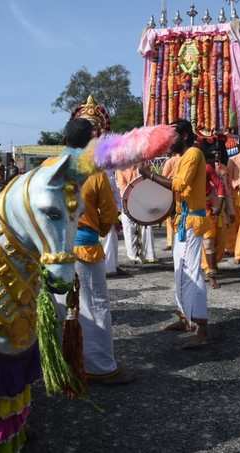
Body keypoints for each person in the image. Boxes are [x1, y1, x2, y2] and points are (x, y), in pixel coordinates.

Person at [61, 117, 135, 385]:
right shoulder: (94, 171)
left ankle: (63, 364)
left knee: (61, 308)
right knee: (95, 307)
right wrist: (99, 231)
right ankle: (101, 367)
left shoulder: (48, 168)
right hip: (85, 249)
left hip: (54, 252)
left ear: (64, 139)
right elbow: (109, 212)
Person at [139, 120, 210, 349]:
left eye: (172, 137)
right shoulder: (181, 158)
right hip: (182, 221)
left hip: (191, 222)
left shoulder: (193, 154)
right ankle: (185, 318)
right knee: (181, 272)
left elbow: (179, 185)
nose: (168, 143)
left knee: (192, 272)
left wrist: (150, 176)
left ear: (186, 136)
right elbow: (178, 194)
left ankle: (201, 327)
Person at [72, 95, 126, 276]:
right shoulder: (67, 159)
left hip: (100, 207)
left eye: (94, 128)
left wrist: (115, 208)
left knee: (109, 234)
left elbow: (112, 181)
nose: (92, 133)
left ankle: (109, 267)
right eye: (87, 129)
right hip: (76, 219)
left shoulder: (106, 154)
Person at [116, 165, 157, 264]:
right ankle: (133, 255)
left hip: (141, 199)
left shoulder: (143, 165)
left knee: (146, 227)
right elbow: (123, 188)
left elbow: (149, 182)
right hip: (128, 201)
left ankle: (147, 255)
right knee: (130, 228)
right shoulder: (121, 168)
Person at [201, 141, 225, 289]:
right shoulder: (183, 165)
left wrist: (220, 205)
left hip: (206, 211)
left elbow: (220, 186)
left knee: (209, 243)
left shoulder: (207, 168)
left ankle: (211, 275)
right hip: (188, 212)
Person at [161, 151, 181, 251]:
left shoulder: (170, 161)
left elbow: (164, 177)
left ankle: (170, 241)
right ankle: (177, 238)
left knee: (169, 218)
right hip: (179, 191)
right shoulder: (182, 159)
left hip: (170, 190)